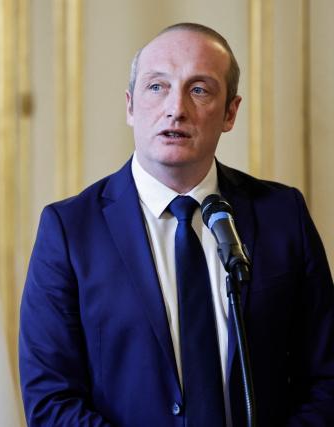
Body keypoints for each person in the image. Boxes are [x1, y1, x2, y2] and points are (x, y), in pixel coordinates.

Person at [19, 22, 334, 426]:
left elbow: (326, 377)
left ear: (230, 113)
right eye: (157, 87)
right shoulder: (69, 229)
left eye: (199, 89)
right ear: (130, 106)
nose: (176, 108)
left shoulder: (281, 214)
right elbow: (51, 399)